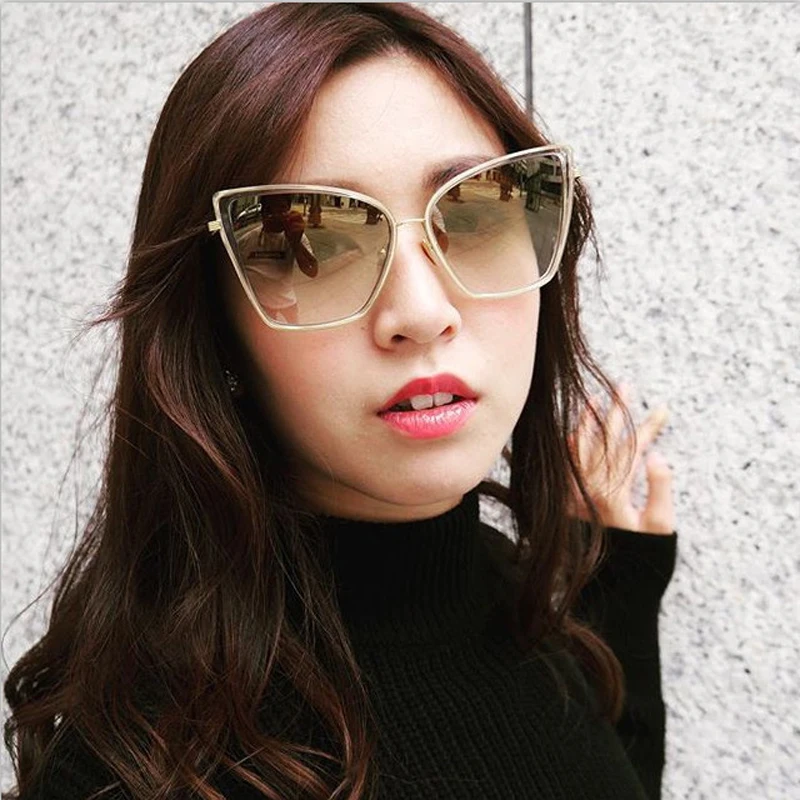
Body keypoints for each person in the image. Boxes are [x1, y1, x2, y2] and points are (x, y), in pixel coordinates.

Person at [4, 4, 677, 800]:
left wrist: (617, 591)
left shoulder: (512, 598)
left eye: (476, 213)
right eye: (315, 246)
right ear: (213, 327)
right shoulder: (141, 771)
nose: (421, 311)